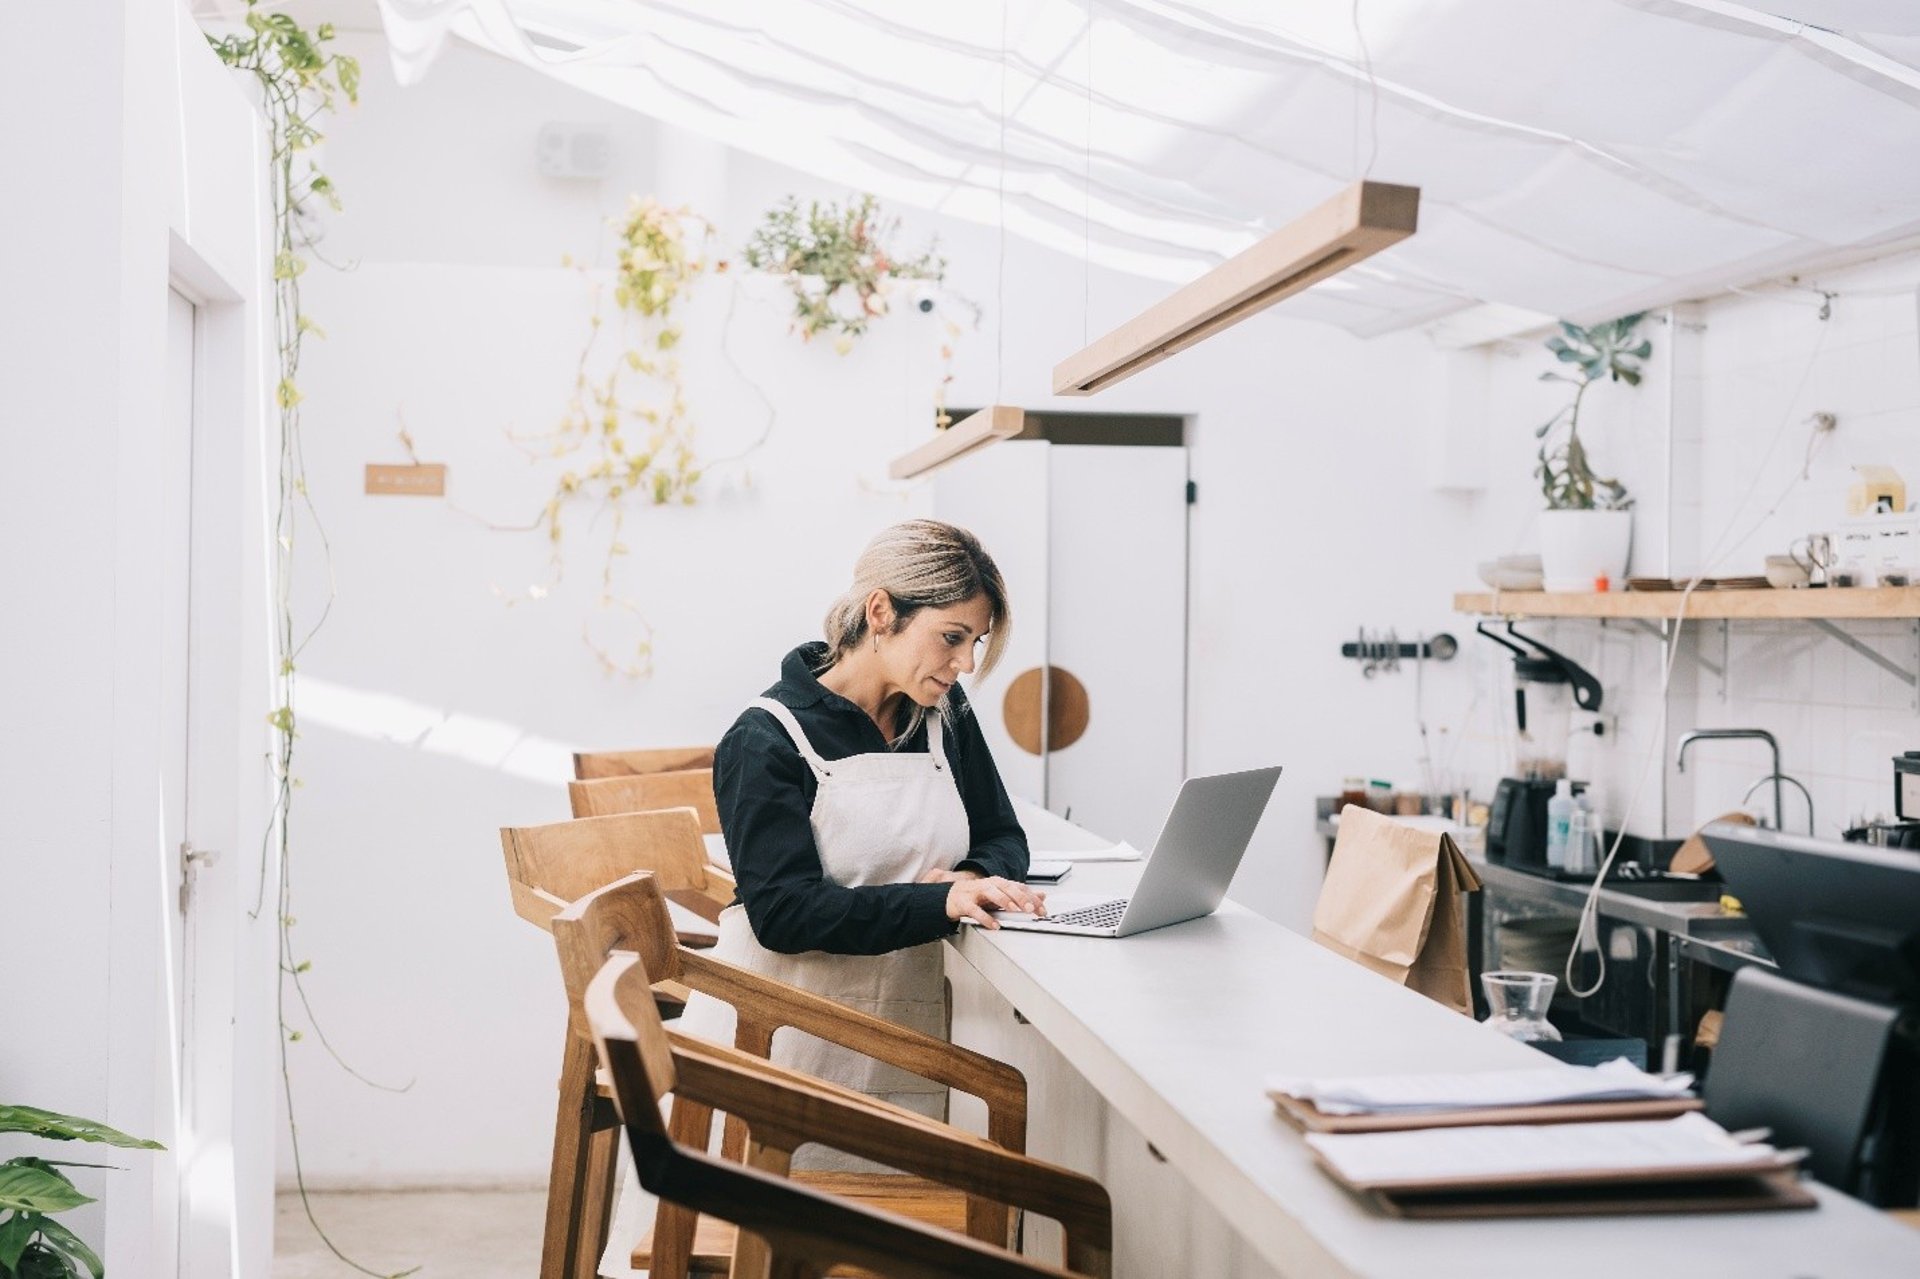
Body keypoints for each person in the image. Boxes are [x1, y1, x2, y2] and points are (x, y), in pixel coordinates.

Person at [687, 519, 1046, 1124]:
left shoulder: (944, 716)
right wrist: (940, 903)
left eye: (976, 643)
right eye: (952, 637)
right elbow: (783, 914)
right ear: (881, 612)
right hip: (777, 1043)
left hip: (903, 1037)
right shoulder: (765, 739)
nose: (964, 663)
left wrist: (973, 875)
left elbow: (1003, 835)